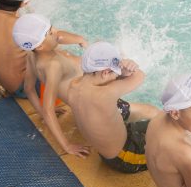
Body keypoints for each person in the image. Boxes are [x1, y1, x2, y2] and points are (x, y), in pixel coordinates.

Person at [67, 41, 159, 173]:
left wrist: (118, 72)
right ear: (105, 72)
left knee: (158, 119)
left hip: (107, 150)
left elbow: (108, 81)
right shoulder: (105, 94)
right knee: (171, 139)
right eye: (116, 73)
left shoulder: (73, 85)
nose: (118, 76)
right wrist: (130, 65)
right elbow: (140, 76)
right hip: (125, 156)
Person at [12, 14, 90, 157]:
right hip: (87, 106)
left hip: (80, 92)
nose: (56, 31)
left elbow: (29, 89)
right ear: (40, 46)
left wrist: (41, 112)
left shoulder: (31, 55)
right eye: (50, 32)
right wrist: (67, 145)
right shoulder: (53, 66)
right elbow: (48, 110)